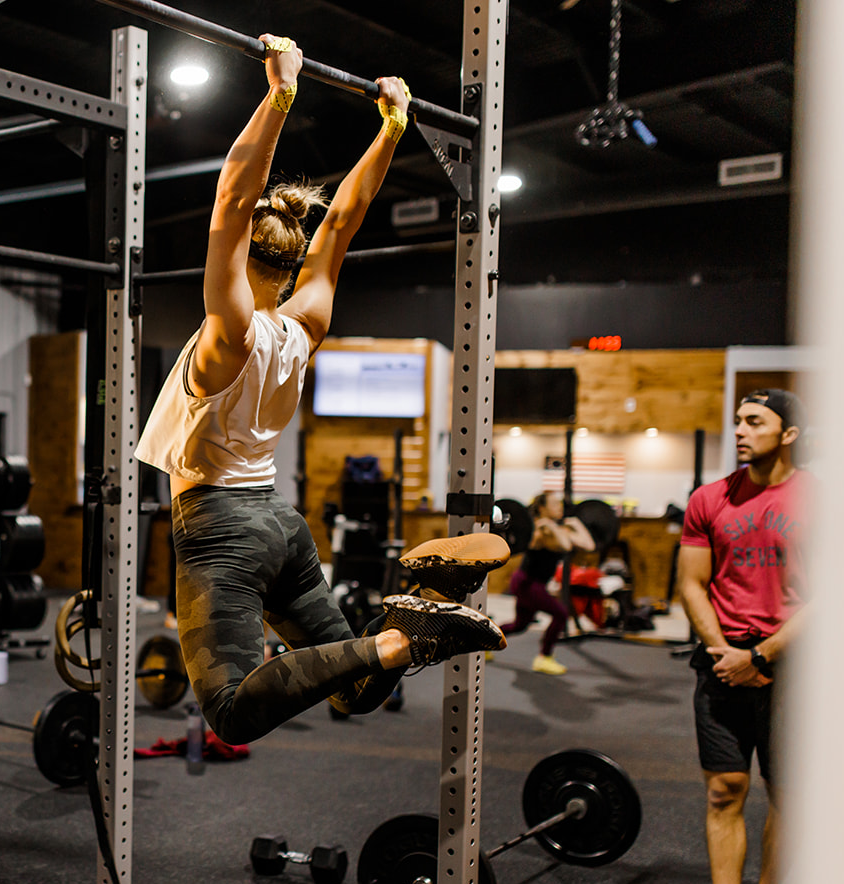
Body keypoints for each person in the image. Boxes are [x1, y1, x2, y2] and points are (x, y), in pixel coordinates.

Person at [132, 37, 507, 746]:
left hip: (219, 528)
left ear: (242, 253)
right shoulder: (303, 325)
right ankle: (427, 602)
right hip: (280, 524)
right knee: (355, 687)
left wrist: (281, 93)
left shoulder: (229, 334)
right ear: (290, 259)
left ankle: (398, 639)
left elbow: (232, 197)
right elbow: (341, 220)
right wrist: (392, 126)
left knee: (230, 712)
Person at [675, 388, 807, 884]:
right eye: (737, 421)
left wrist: (763, 654)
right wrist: (724, 652)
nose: (740, 431)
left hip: (794, 668)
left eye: (755, 421)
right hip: (722, 663)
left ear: (789, 433)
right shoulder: (709, 498)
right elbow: (691, 583)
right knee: (724, 789)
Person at [497, 492, 594, 675]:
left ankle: (482, 643)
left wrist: (577, 524)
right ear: (542, 508)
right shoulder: (539, 531)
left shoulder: (555, 528)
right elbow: (565, 545)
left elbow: (589, 545)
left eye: (560, 503)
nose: (560, 507)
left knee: (520, 625)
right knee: (561, 614)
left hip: (535, 583)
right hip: (527, 583)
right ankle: (544, 658)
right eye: (554, 504)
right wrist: (553, 526)